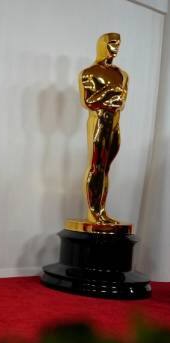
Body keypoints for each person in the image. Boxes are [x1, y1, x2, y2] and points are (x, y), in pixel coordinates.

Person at [79, 33, 128, 225]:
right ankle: (93, 212)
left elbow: (121, 102)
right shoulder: (89, 72)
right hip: (99, 121)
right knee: (96, 166)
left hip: (114, 124)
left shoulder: (122, 75)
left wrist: (112, 99)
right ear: (103, 45)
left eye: (118, 45)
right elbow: (88, 102)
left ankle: (101, 211)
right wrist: (109, 93)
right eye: (112, 44)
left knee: (106, 169)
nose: (115, 49)